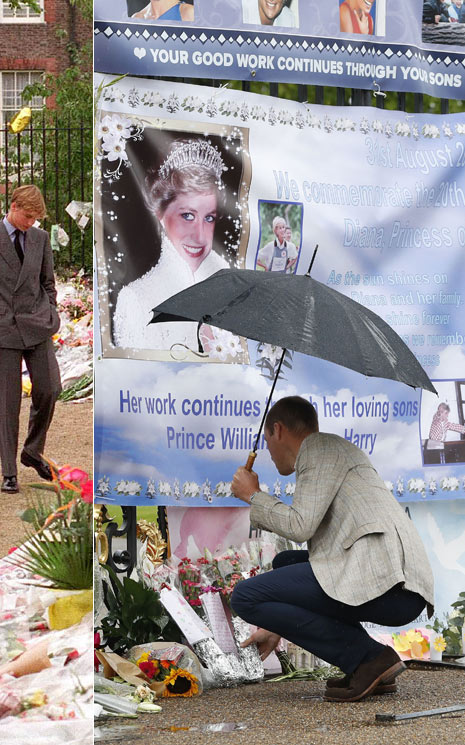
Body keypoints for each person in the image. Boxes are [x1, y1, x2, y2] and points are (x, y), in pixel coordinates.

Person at [229, 396, 434, 702]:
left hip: (390, 583)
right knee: (286, 561)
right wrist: (277, 623)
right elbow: (310, 536)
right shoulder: (332, 450)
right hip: (394, 581)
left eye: (266, 440)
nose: (268, 452)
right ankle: (369, 665)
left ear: (278, 429)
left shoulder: (318, 450)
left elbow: (300, 526)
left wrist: (254, 496)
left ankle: (369, 658)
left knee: (244, 597)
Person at [0, 185, 61, 494]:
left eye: (36, 218)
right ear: (14, 206)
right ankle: (9, 471)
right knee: (7, 404)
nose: (31, 223)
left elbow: (48, 281)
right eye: (29, 216)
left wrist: (52, 312)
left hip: (38, 325)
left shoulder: (40, 239)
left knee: (49, 389)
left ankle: (32, 451)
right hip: (2, 331)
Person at [113, 137, 232, 351]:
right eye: (187, 216)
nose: (199, 235)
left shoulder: (231, 285)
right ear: (160, 214)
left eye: (209, 218)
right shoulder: (135, 300)